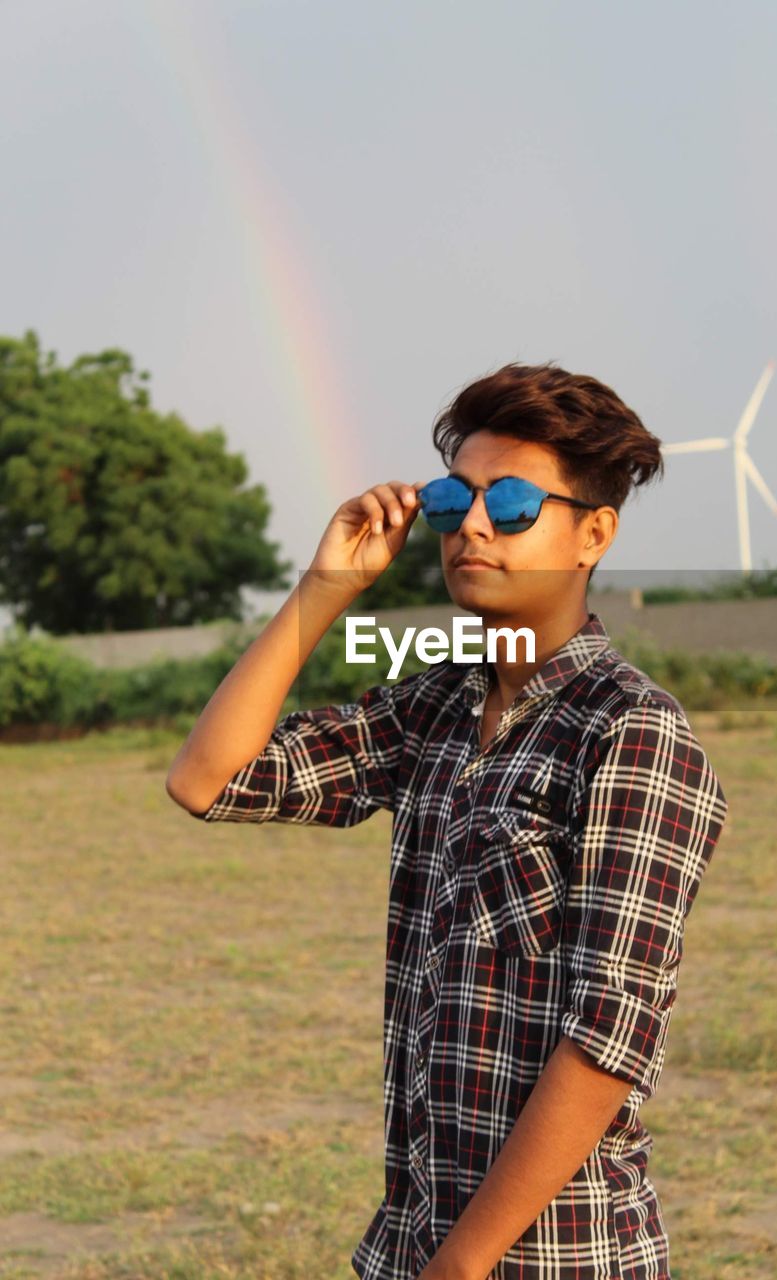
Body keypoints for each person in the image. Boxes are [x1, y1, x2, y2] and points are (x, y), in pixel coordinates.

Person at [166, 361, 729, 1280]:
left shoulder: (630, 733)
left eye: (509, 502)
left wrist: (462, 1266)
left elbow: (608, 1039)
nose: (470, 525)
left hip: (552, 1258)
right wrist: (325, 586)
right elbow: (206, 778)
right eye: (448, 499)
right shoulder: (430, 709)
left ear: (592, 532)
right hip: (413, 1237)